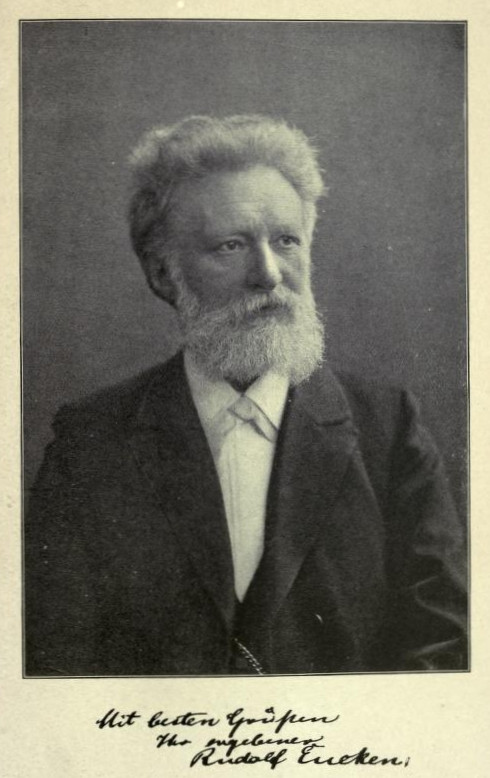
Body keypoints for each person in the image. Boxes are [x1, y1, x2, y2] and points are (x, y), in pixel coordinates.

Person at [25, 115, 467, 676]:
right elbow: (55, 667)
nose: (269, 274)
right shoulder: (91, 443)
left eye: (286, 241)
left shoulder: (389, 428)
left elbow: (441, 651)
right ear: (163, 274)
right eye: (231, 246)